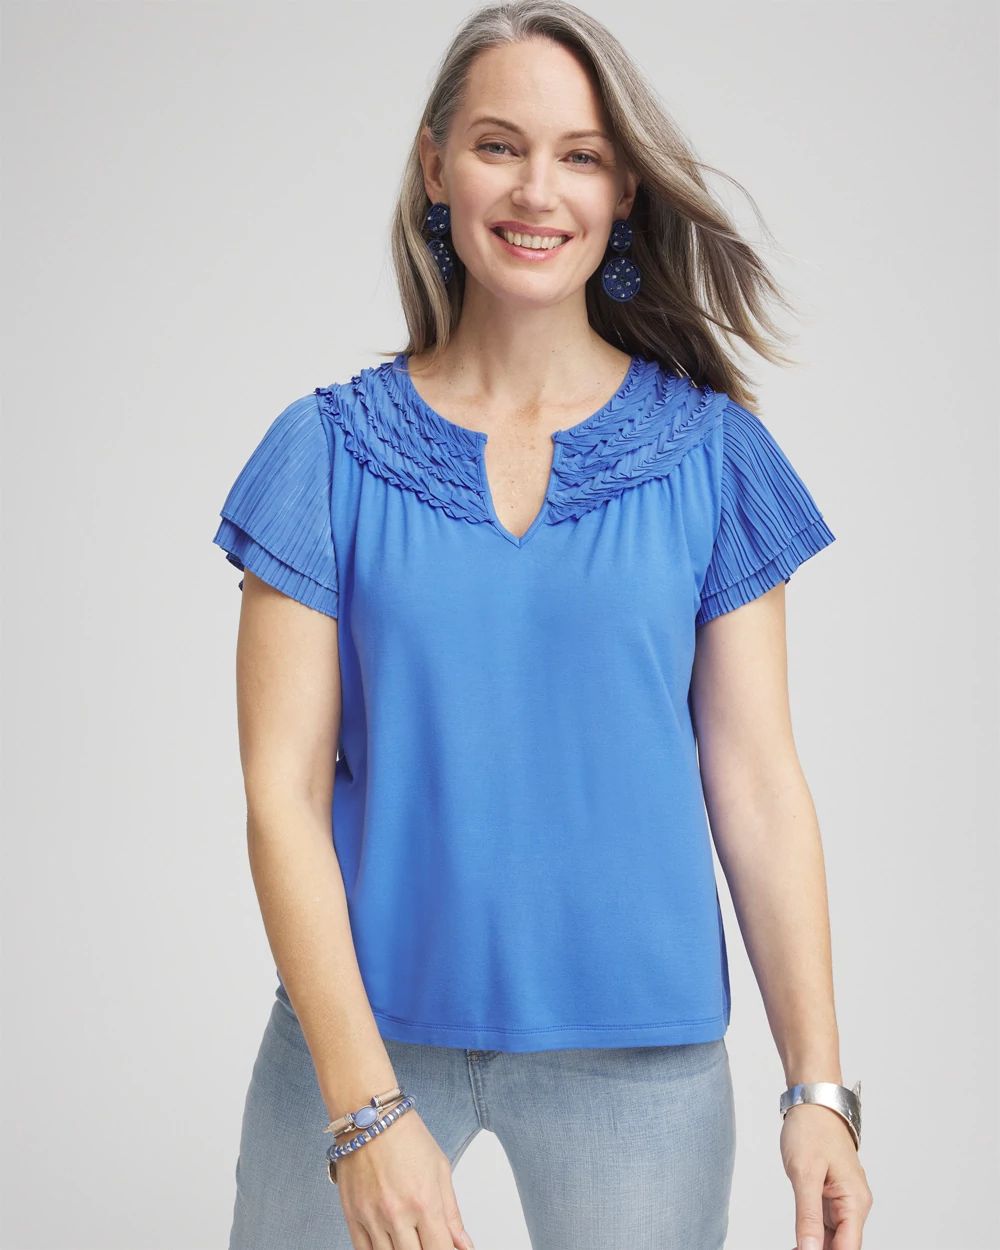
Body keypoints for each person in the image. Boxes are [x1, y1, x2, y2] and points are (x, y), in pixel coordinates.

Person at [211, 3, 874, 1248]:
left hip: (640, 1058)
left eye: (579, 155)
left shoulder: (712, 457)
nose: (536, 190)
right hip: (359, 1040)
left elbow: (756, 781)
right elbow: (279, 794)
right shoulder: (324, 454)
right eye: (497, 145)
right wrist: (363, 1110)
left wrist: (817, 1088)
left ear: (622, 190)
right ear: (435, 168)